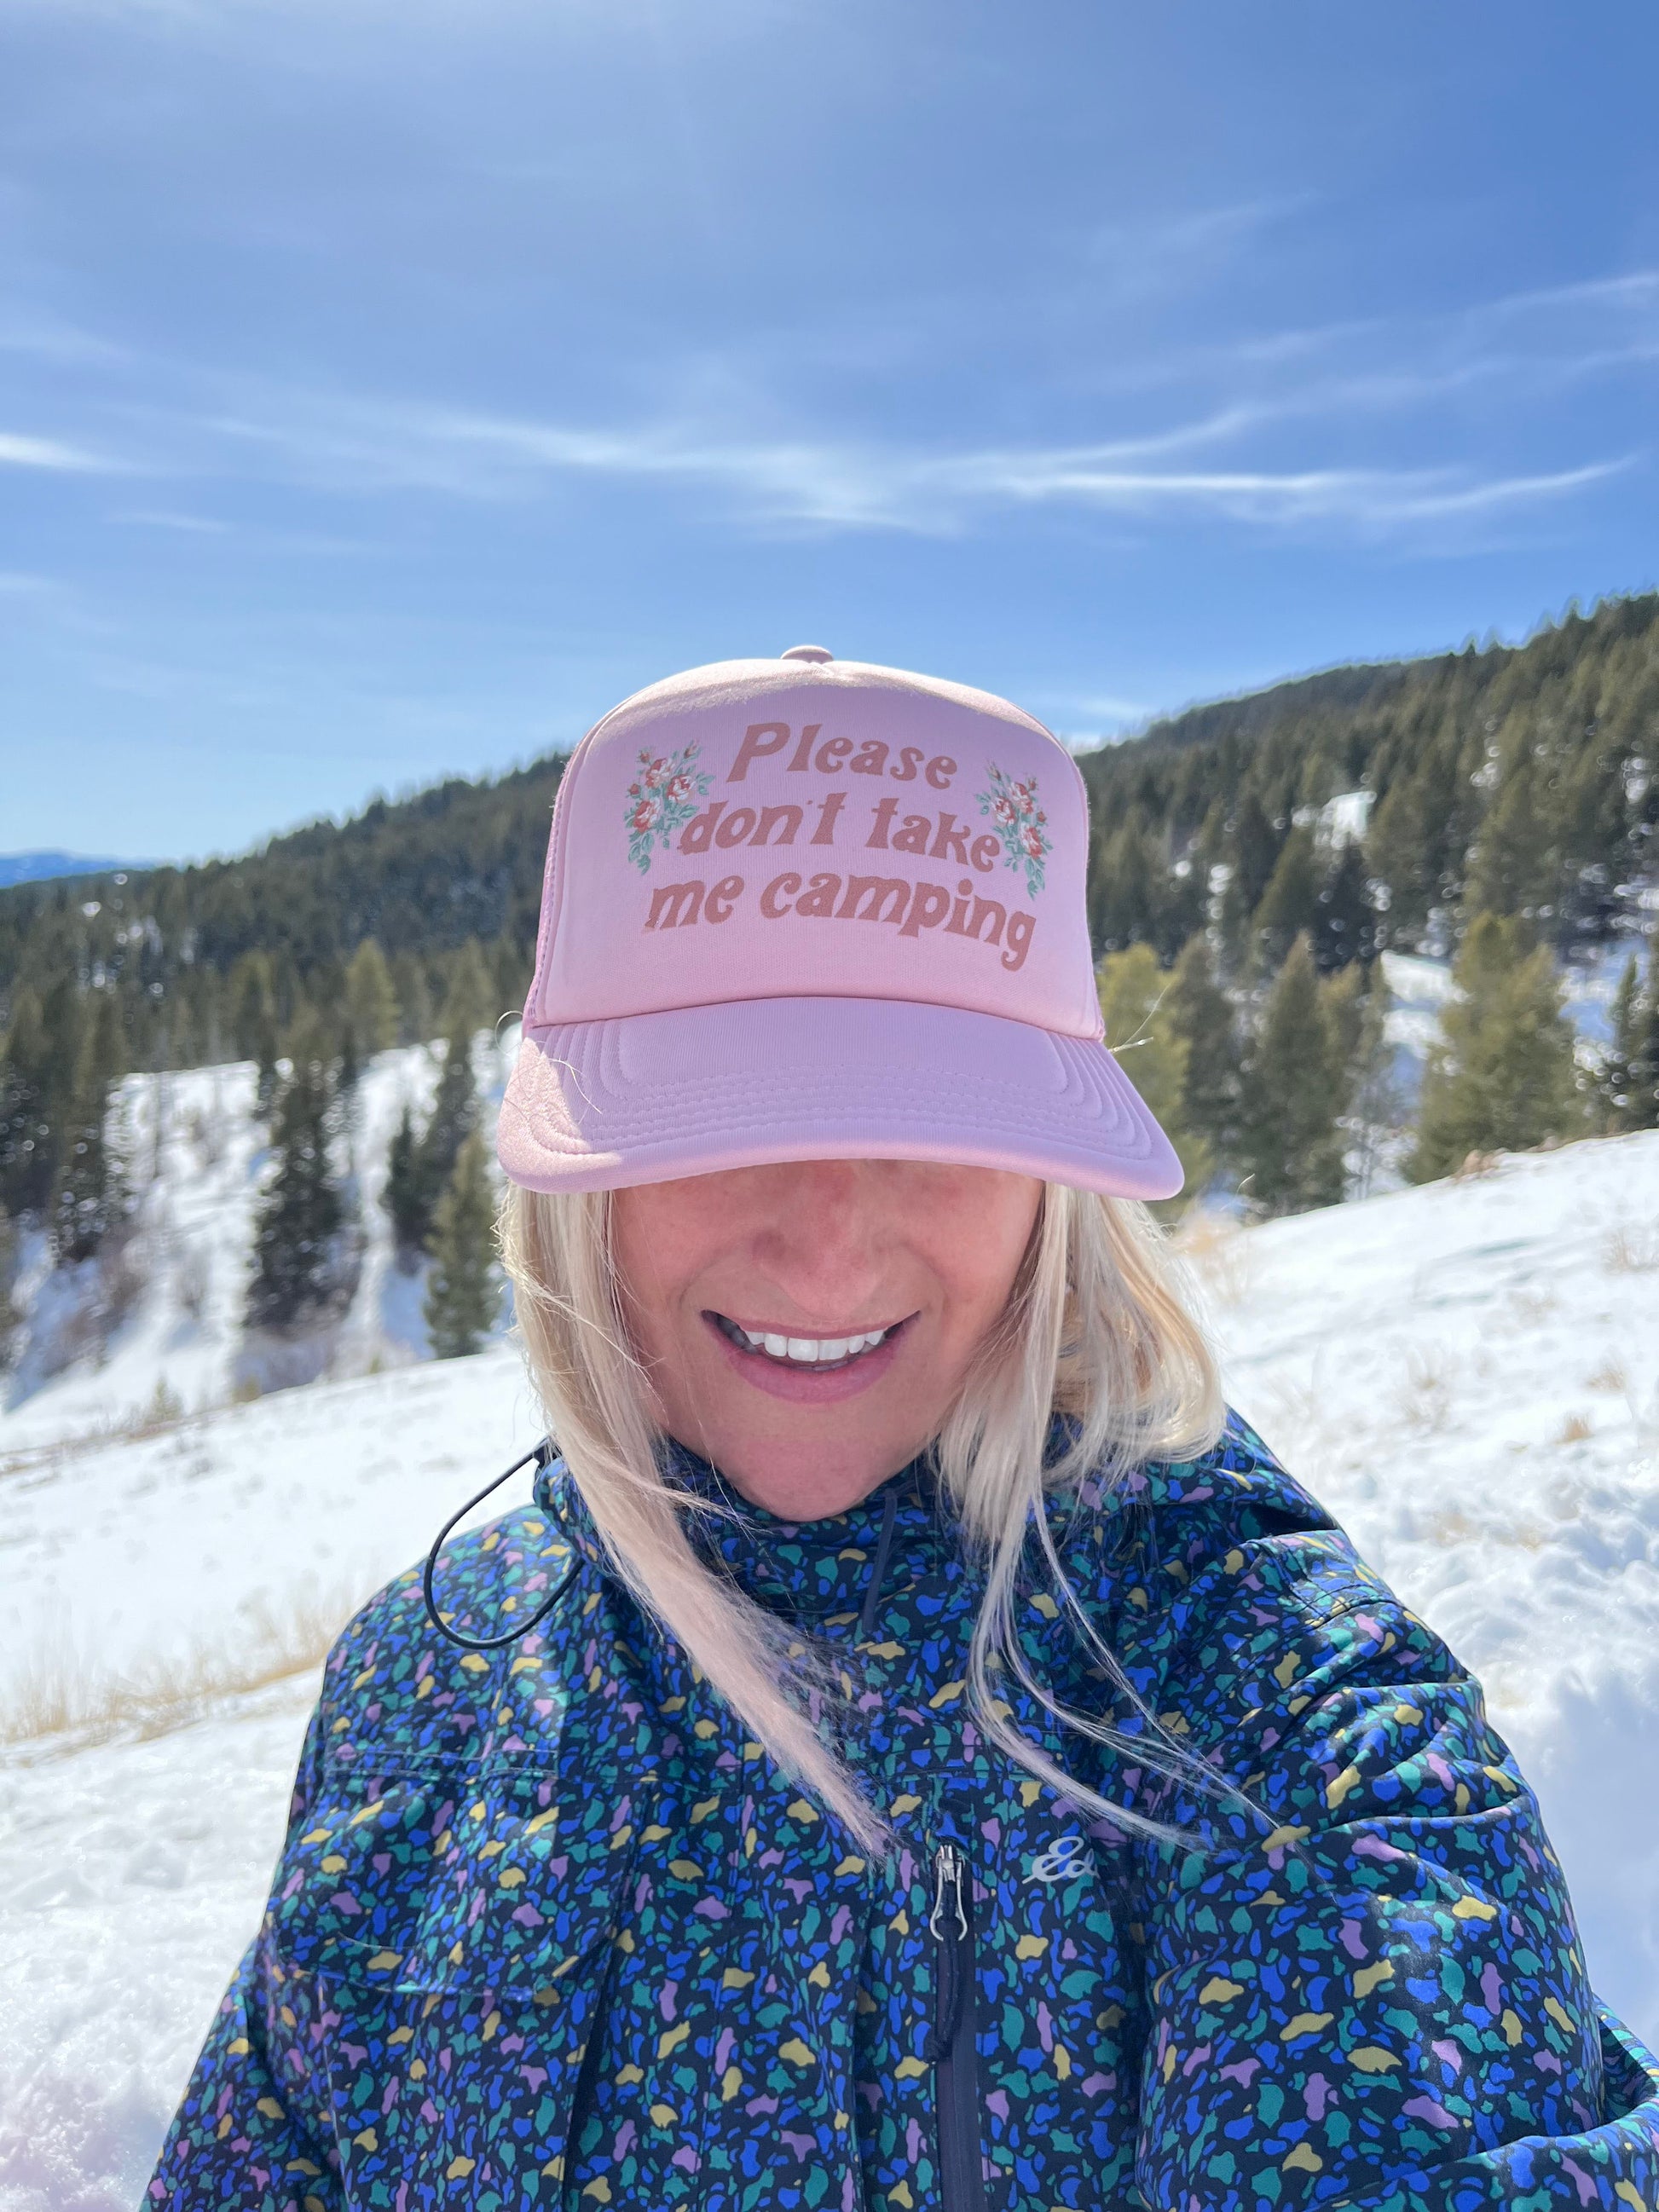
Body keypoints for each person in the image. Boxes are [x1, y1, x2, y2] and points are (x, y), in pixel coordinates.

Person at [151, 647, 1659, 2211]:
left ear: (1048, 1188)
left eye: (938, 1124)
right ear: (577, 1184)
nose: (827, 1247)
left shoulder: (1264, 1712)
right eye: (715, 1110)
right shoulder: (423, 1685)